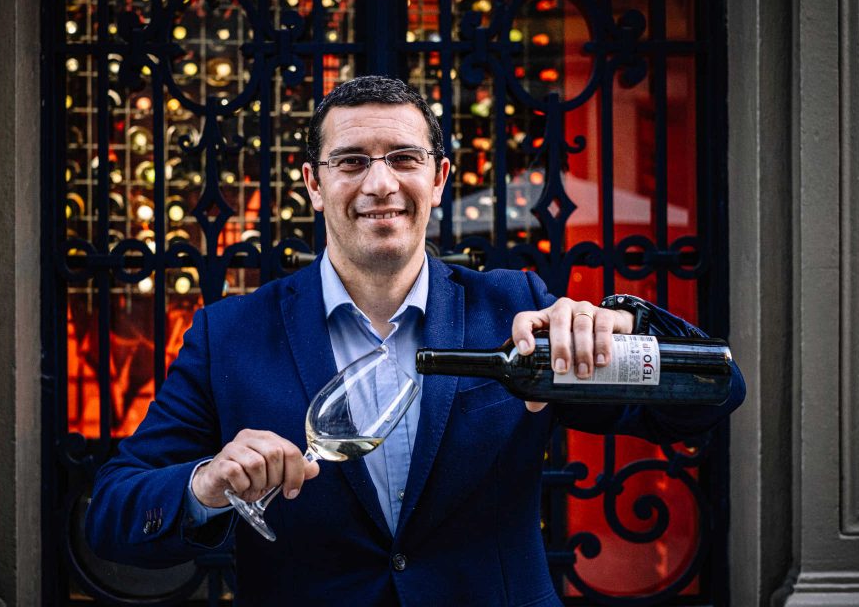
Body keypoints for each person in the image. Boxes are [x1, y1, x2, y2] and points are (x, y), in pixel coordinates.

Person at [86, 75, 745, 606]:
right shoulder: (229, 334)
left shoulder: (518, 309)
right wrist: (205, 485)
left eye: (404, 159)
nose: (381, 184)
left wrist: (628, 323)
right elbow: (111, 513)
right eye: (351, 162)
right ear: (313, 184)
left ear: (439, 178)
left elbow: (713, 396)